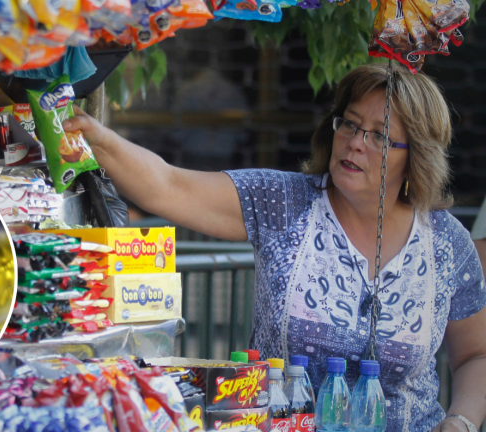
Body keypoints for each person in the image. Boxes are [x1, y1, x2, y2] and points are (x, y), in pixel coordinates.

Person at [64, 64, 486, 431]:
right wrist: (96, 137)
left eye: (380, 136)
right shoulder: (283, 202)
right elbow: (167, 186)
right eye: (351, 124)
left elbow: (476, 355)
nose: (356, 142)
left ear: (416, 157)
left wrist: (461, 420)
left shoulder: (448, 244)